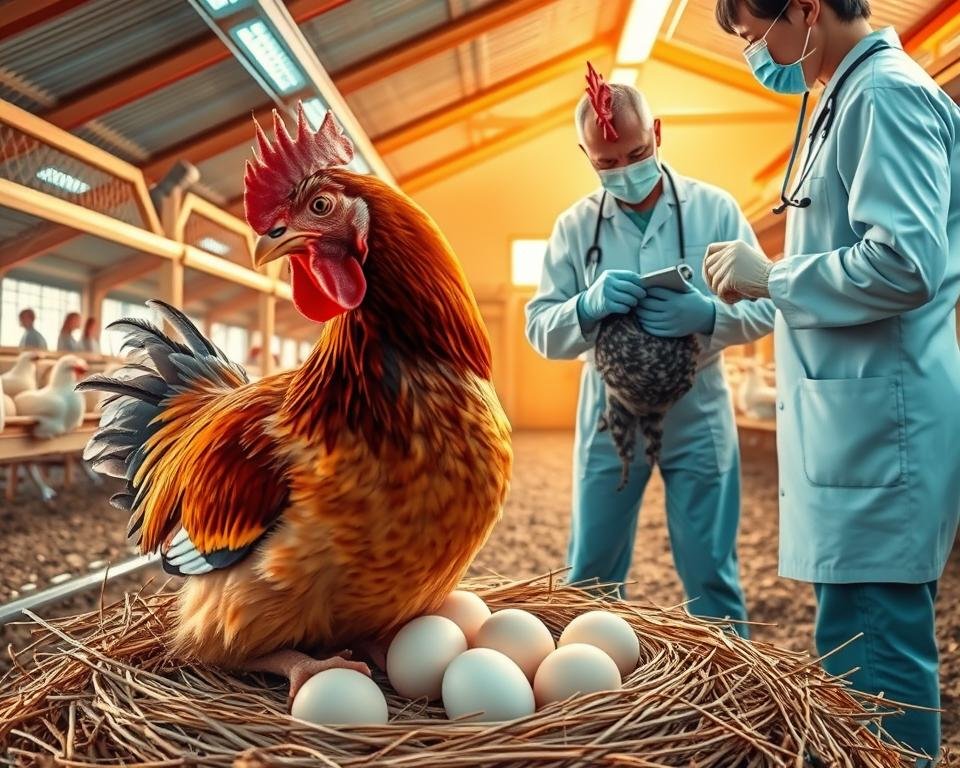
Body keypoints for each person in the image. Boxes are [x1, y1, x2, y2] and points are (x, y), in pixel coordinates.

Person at [705, 0, 960, 761]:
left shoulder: (885, 96)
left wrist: (775, 276)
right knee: (852, 645)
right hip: (855, 422)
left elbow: (907, 264)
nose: (757, 54)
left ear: (807, 9)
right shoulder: (842, 98)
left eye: (755, 35)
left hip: (882, 430)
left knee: (876, 653)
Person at [525, 65, 777, 635]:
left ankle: (729, 694)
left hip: (699, 402)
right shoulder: (574, 228)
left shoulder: (716, 210)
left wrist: (709, 315)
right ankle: (588, 684)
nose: (624, 171)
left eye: (635, 153)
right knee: (591, 567)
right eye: (606, 163)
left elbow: (769, 304)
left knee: (711, 568)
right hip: (608, 410)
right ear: (586, 155)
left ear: (657, 133)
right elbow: (541, 330)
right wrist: (585, 307)